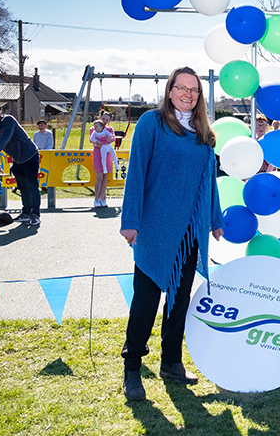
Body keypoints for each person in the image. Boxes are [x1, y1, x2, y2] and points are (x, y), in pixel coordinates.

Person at [119, 67, 224, 402]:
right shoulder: (152, 123)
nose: (188, 94)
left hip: (190, 232)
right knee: (146, 303)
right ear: (170, 90)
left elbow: (208, 179)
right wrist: (130, 219)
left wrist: (215, 218)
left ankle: (171, 363)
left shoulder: (203, 131)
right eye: (182, 88)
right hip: (155, 228)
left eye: (194, 90)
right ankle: (132, 369)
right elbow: (136, 171)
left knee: (178, 304)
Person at [0, 104, 41, 226]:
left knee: (32, 185)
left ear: (0, 112)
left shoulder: (8, 120)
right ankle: (26, 213)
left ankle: (35, 214)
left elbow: (3, 140)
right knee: (22, 187)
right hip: (17, 159)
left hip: (30, 155)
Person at [91, 111, 115, 208]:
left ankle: (103, 198)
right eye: (103, 119)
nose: (104, 121)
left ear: (109, 121)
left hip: (107, 153)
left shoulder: (109, 129)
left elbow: (112, 138)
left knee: (105, 177)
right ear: (100, 117)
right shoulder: (94, 128)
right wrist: (100, 141)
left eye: (106, 120)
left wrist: (109, 139)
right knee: (99, 176)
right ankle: (96, 198)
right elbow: (91, 138)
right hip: (98, 153)